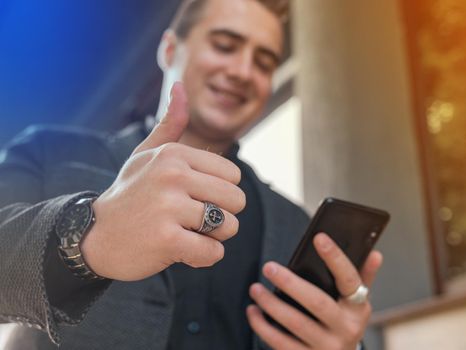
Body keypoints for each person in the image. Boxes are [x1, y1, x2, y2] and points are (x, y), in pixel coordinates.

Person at [0, 0, 383, 349]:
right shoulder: (50, 152)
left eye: (264, 62)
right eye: (225, 45)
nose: (242, 71)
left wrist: (349, 346)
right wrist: (85, 235)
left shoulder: (295, 223)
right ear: (169, 49)